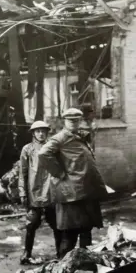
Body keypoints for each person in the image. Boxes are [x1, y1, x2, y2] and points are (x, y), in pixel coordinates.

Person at [38, 108, 107, 259]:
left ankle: (84, 264)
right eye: (70, 121)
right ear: (64, 122)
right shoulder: (60, 138)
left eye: (77, 120)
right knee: (70, 234)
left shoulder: (79, 136)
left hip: (85, 192)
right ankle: (63, 265)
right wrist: (60, 173)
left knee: (86, 231)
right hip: (72, 194)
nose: (74, 123)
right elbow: (43, 154)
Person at [19, 121, 61, 264]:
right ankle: (27, 253)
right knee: (31, 223)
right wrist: (22, 192)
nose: (41, 134)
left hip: (51, 191)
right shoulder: (27, 149)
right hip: (34, 191)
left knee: (56, 223)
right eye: (38, 131)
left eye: (43, 131)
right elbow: (22, 172)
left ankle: (60, 253)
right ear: (33, 133)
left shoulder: (53, 148)